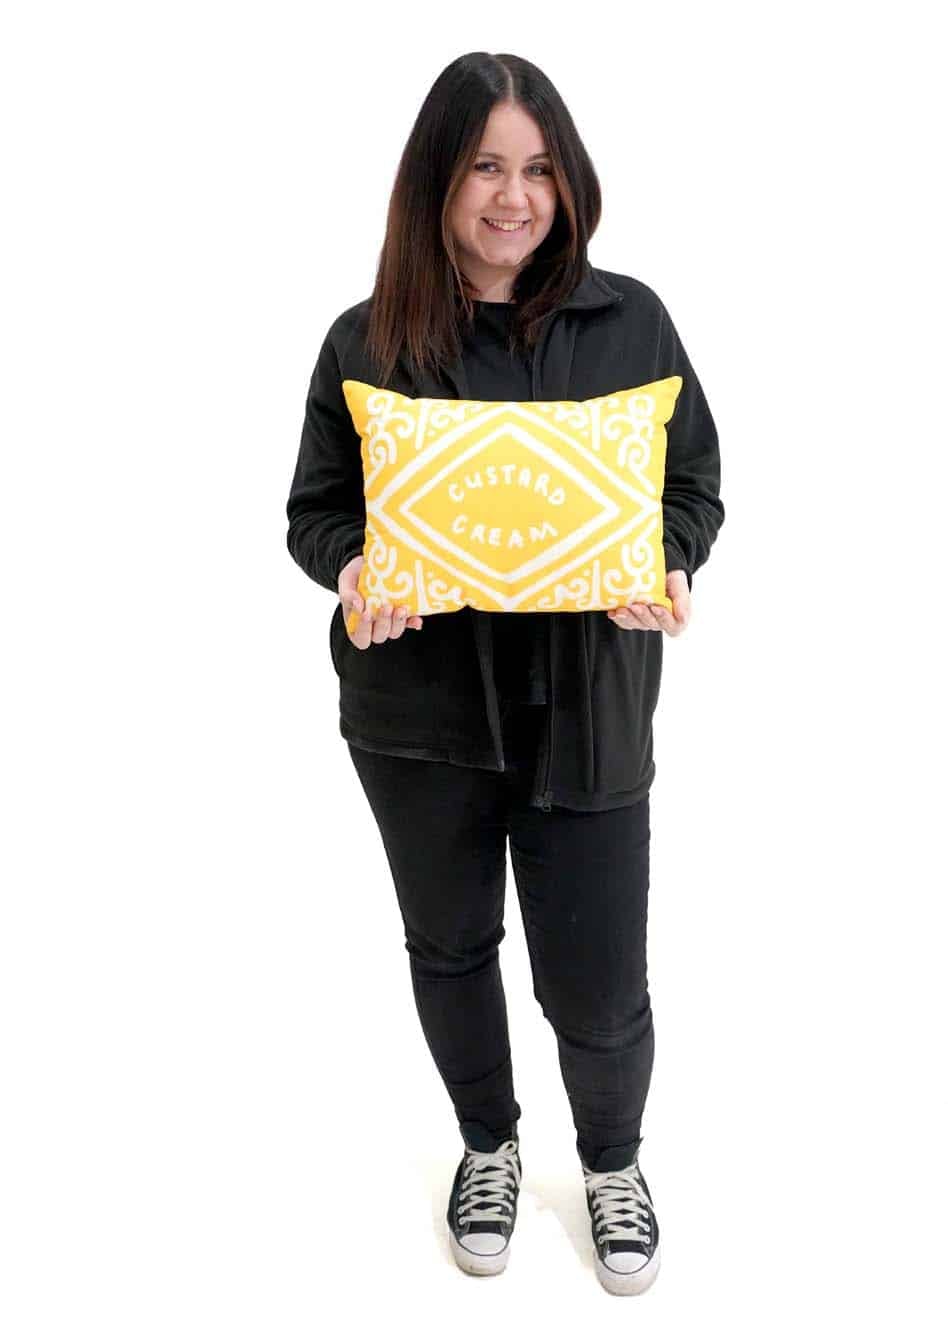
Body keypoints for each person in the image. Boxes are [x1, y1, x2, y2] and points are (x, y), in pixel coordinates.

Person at [285, 51, 725, 1297]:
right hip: (415, 716)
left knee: (599, 984)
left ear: (567, 181)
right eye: (484, 165)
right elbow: (316, 512)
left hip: (587, 710)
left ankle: (612, 1160)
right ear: (436, 178)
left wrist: (669, 558)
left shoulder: (630, 322)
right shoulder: (365, 340)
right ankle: (488, 1144)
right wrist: (356, 569)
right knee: (450, 946)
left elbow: (691, 485)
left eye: (537, 168)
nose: (513, 196)